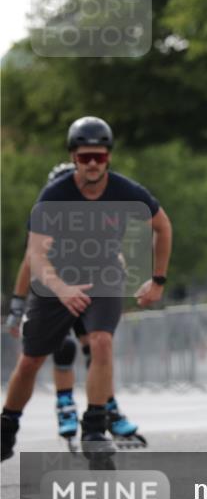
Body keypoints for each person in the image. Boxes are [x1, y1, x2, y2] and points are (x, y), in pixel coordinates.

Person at [0, 117, 172, 466]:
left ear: (108, 157)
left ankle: (94, 428)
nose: (92, 164)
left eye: (99, 156)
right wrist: (60, 289)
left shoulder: (126, 192)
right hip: (56, 282)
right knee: (31, 360)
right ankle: (6, 430)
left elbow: (163, 227)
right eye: (84, 157)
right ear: (73, 158)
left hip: (104, 277)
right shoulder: (55, 195)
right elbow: (35, 255)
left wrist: (157, 281)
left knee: (101, 341)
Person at [4, 163, 145, 453]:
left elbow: (116, 256)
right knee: (57, 349)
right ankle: (62, 402)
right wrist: (18, 308)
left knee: (98, 347)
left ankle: (106, 409)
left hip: (89, 291)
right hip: (53, 294)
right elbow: (30, 263)